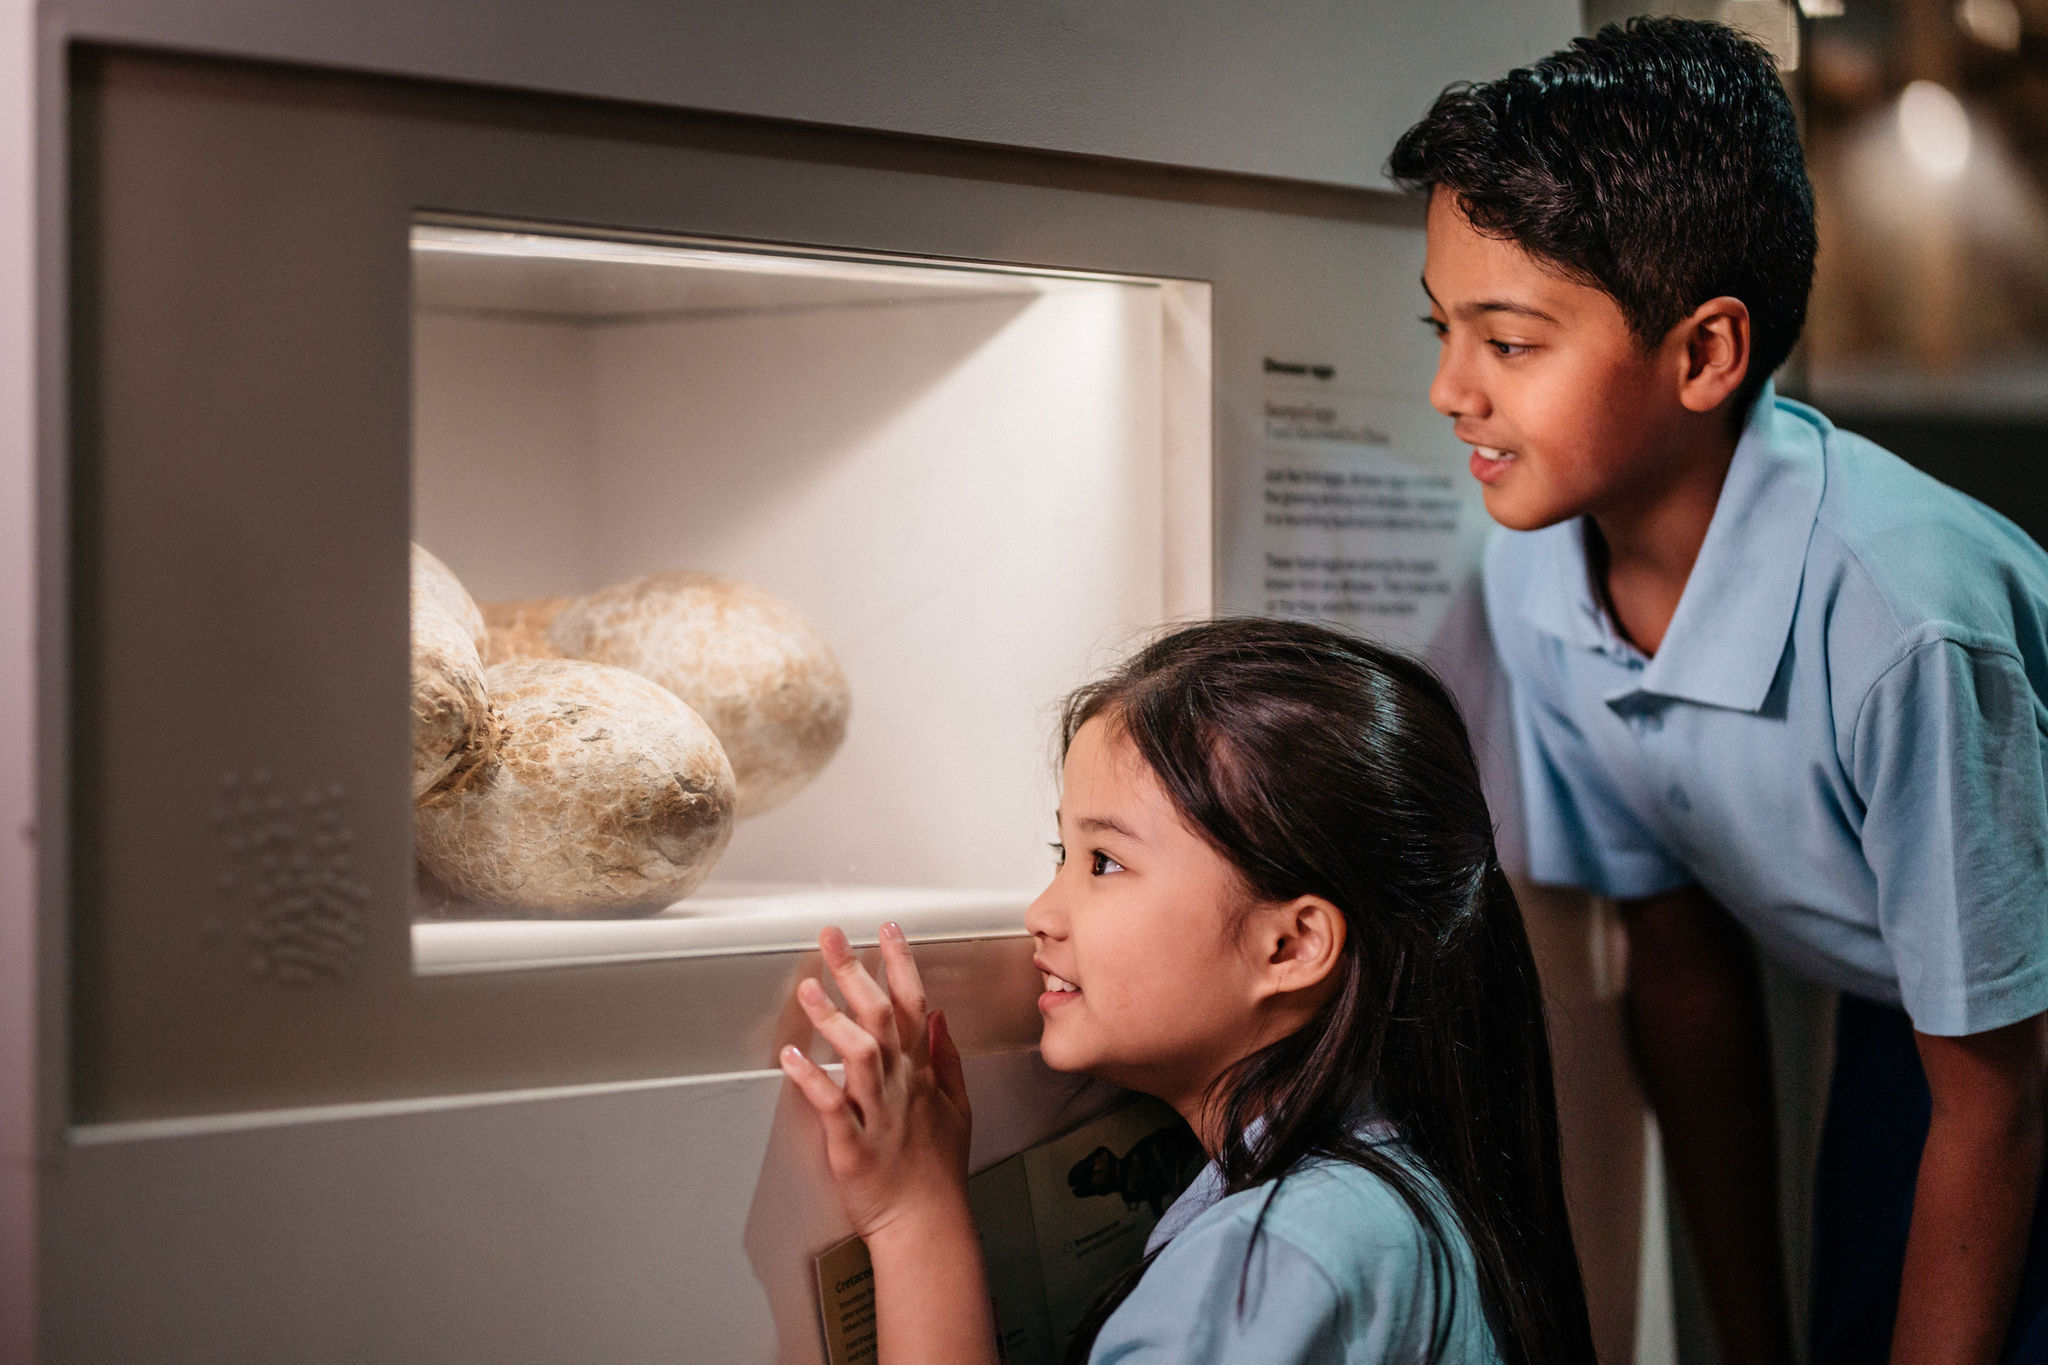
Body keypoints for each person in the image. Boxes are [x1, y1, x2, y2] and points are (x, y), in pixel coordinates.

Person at [1388, 17, 2048, 1365]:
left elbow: (1999, 1092)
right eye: (1441, 325)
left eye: (1508, 342)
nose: (1449, 388)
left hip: (2001, 1037)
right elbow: (1680, 966)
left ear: (1702, 355)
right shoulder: (1533, 576)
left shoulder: (1903, 622)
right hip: (1924, 1016)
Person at [778, 617, 1596, 1364]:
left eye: (1104, 862)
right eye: (1062, 854)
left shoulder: (1267, 1267)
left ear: (1290, 944)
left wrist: (915, 1218)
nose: (1041, 914)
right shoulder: (1390, 1191)